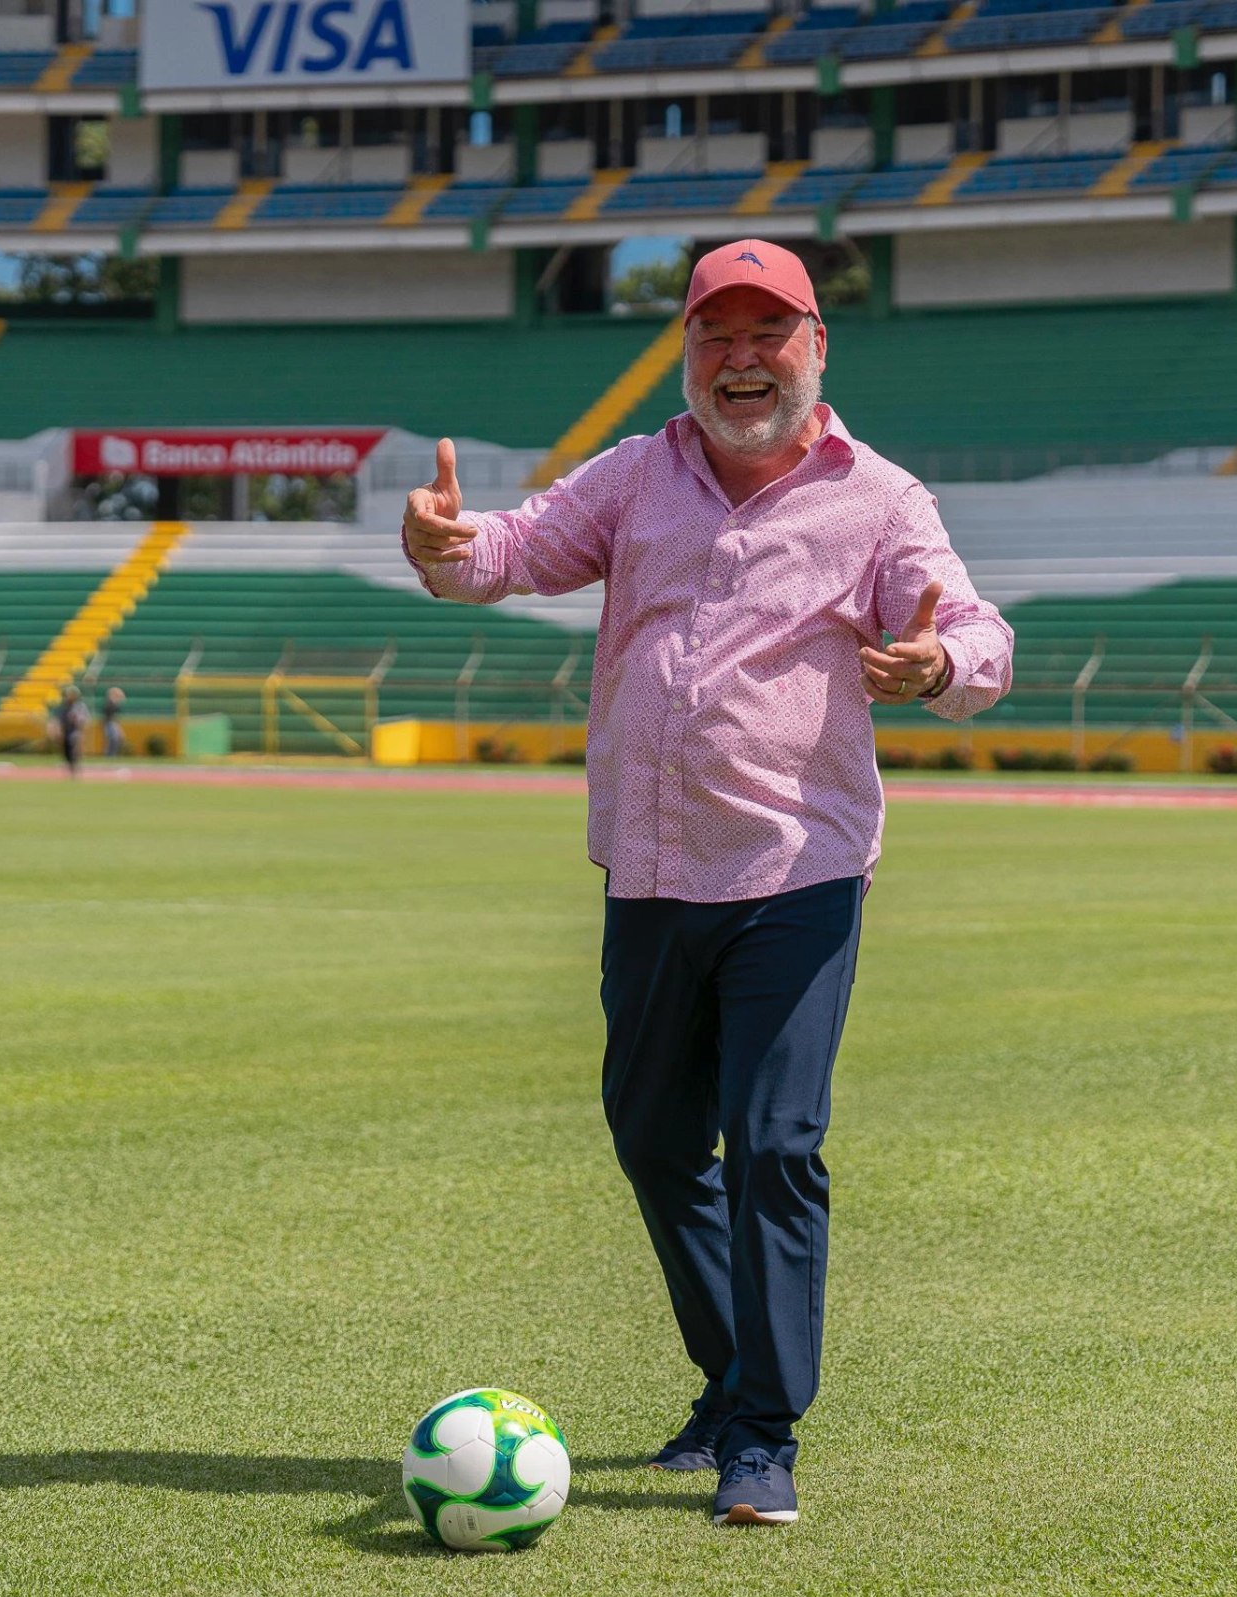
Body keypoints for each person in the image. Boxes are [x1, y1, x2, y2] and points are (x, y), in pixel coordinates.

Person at [402, 240, 1013, 1527]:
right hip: (651, 870)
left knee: (775, 1144)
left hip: (797, 872)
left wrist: (940, 662)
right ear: (688, 349)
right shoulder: (638, 472)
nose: (740, 359)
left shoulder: (881, 500)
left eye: (766, 332)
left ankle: (763, 1435)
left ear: (815, 348)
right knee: (656, 1136)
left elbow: (975, 627)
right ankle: (728, 1373)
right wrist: (443, 548)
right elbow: (512, 549)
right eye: (715, 334)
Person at [56, 683, 89, 776]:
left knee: (74, 749)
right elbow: (60, 719)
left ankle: (75, 767)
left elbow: (82, 719)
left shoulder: (80, 706)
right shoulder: (64, 706)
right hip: (65, 731)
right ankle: (69, 767)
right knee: (66, 750)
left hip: (75, 730)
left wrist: (80, 729)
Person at [102, 686, 128, 758]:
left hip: (112, 723)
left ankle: (111, 755)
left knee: (114, 740)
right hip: (110, 723)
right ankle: (109, 755)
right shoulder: (110, 704)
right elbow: (110, 716)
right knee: (112, 739)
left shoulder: (114, 705)